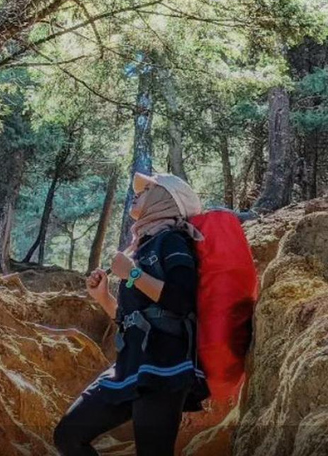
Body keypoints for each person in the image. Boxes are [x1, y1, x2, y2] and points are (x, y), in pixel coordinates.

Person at [53, 172, 210, 456]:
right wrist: (103, 297)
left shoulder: (173, 241)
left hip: (164, 369)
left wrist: (133, 273)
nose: (137, 192)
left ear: (165, 198)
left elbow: (181, 300)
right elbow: (135, 318)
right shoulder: (142, 246)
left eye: (147, 188)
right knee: (68, 435)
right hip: (130, 367)